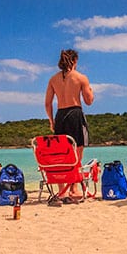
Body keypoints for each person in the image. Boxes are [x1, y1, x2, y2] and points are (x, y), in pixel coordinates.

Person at [45, 49, 94, 201]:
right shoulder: (81, 78)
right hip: (75, 114)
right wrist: (90, 91)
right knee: (77, 154)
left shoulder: (53, 79)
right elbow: (89, 101)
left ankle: (62, 190)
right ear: (74, 61)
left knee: (60, 154)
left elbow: (47, 103)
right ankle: (74, 188)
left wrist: (52, 121)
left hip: (60, 115)